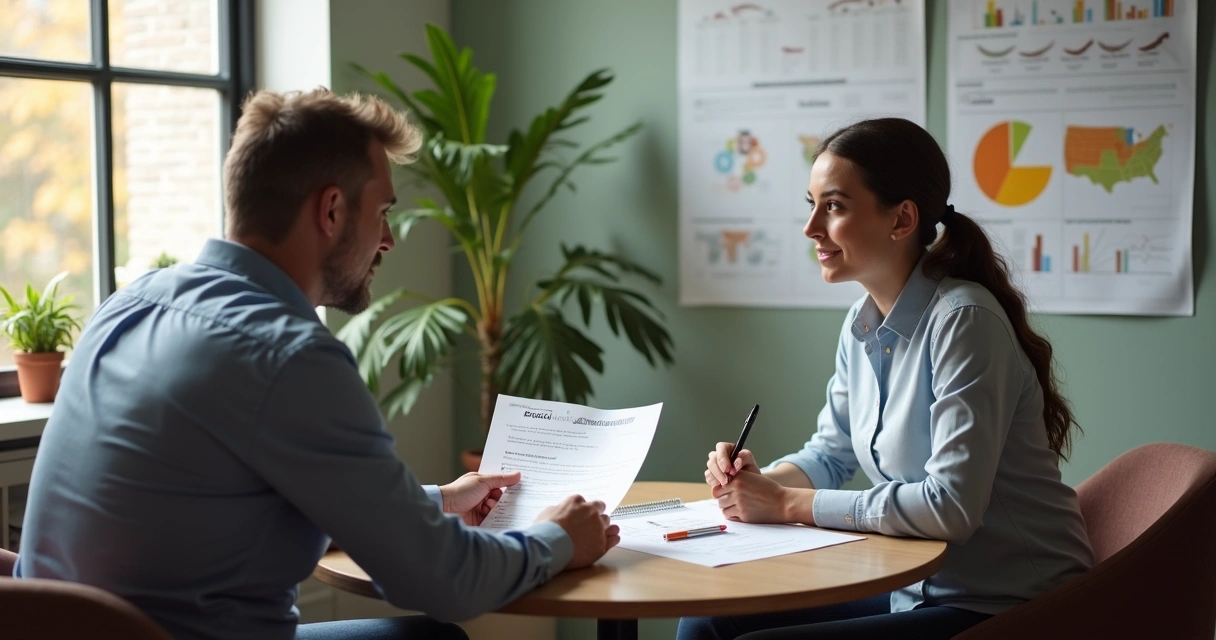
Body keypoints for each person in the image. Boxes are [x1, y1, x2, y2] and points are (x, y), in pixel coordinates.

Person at [16, 88, 619, 640]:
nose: (390, 240)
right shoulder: (287, 357)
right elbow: (444, 583)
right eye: (383, 212)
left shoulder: (129, 303)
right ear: (331, 211)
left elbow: (222, 505)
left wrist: (436, 501)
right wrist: (559, 539)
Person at [681, 118, 1094, 640]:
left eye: (833, 206)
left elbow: (950, 508)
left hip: (1012, 605)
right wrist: (758, 483)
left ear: (901, 219)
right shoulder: (860, 323)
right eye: (810, 204)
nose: (811, 228)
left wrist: (787, 505)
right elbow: (830, 455)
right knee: (708, 620)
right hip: (920, 588)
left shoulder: (965, 321)